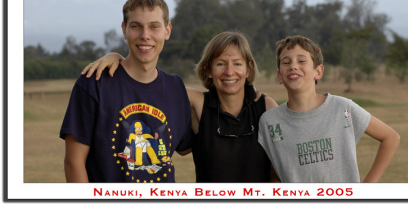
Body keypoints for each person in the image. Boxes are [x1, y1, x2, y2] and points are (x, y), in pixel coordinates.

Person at [83, 31, 280, 182]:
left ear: (249, 68)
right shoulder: (195, 102)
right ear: (208, 70)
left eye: (237, 64)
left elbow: (277, 170)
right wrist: (116, 57)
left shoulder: (265, 107)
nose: (229, 72)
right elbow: (149, 80)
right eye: (221, 64)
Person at [59, 0, 192, 183]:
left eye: (154, 26)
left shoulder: (176, 87)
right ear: (124, 30)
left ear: (167, 30)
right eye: (136, 26)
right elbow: (73, 163)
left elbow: (186, 146)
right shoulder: (94, 82)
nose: (145, 35)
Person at [258, 35, 401, 183]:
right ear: (279, 76)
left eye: (301, 61)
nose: (293, 66)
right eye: (286, 62)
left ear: (318, 72)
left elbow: (391, 137)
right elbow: (275, 173)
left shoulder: (343, 108)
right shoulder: (270, 121)